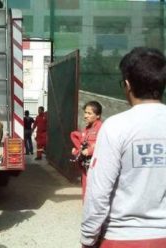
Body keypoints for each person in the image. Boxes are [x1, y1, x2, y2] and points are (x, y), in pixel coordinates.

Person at [81, 47, 166, 248]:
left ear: (127, 85)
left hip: (122, 237)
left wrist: (87, 238)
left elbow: (99, 191)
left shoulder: (116, 126)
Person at [70, 101, 102, 200]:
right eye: (85, 112)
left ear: (98, 116)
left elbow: (104, 145)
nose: (85, 116)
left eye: (89, 113)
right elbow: (81, 142)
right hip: (85, 168)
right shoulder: (86, 129)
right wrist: (78, 150)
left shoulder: (102, 128)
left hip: (97, 169)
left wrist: (90, 150)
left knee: (95, 194)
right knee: (85, 192)